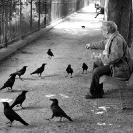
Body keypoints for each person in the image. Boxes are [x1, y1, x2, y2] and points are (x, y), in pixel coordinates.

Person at [85, 21, 132, 99]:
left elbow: (115, 57)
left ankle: (95, 93)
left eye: (102, 30)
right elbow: (103, 43)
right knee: (96, 64)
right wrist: (91, 45)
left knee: (97, 71)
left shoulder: (117, 40)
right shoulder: (113, 37)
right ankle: (98, 90)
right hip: (116, 65)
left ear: (106, 31)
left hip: (121, 69)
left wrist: (101, 57)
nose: (101, 32)